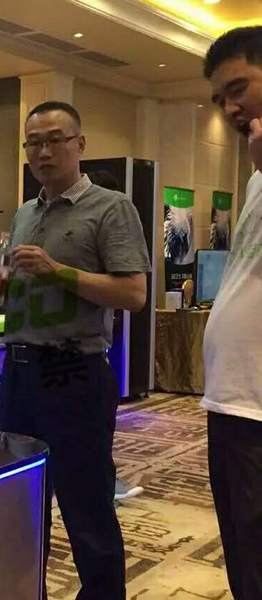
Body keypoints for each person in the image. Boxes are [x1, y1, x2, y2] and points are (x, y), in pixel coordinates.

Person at [0, 101, 150, 600]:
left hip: (74, 374)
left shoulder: (111, 207)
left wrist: (56, 270)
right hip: (19, 373)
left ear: (79, 145)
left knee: (86, 507)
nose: (42, 152)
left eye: (53, 140)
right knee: (23, 504)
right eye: (33, 143)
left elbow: (134, 294)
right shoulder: (25, 212)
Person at [201, 26, 262, 600]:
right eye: (221, 98)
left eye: (238, 88)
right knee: (245, 559)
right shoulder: (256, 175)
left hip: (256, 409)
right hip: (234, 403)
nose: (229, 108)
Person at [84, 169, 145, 502]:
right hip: (34, 366)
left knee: (89, 471)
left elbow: (134, 294)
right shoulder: (29, 215)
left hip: (87, 361)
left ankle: (106, 481)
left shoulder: (117, 212)